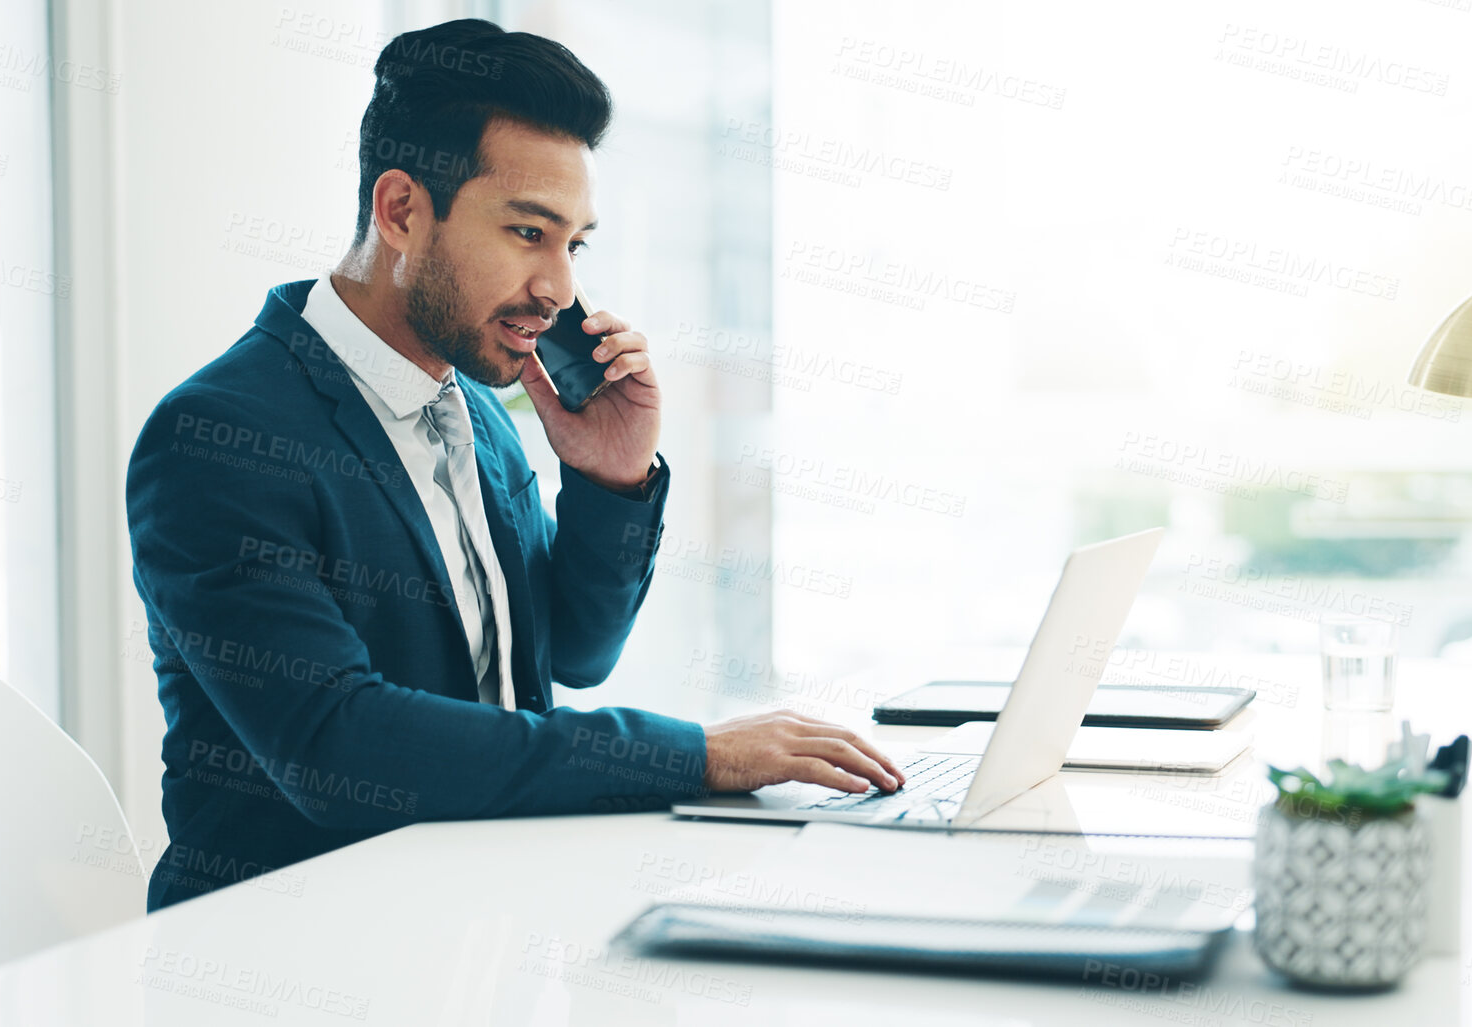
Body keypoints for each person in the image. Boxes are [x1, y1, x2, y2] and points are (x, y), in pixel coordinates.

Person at [126, 18, 901, 912]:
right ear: (402, 210)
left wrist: (613, 479)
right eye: (528, 233)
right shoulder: (218, 436)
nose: (561, 290)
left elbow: (574, 653)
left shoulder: (476, 412)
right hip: (291, 945)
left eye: (574, 244)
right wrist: (698, 753)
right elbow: (338, 750)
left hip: (486, 918)